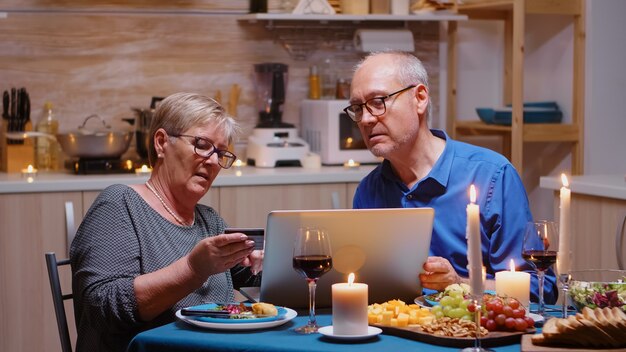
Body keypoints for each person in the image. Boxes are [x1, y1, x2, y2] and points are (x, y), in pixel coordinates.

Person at [345, 51, 556, 304]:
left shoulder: (492, 176)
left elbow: (540, 288)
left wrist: (460, 284)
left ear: (419, 98)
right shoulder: (369, 190)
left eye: (378, 101)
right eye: (357, 108)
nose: (366, 119)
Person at [70, 92, 263, 352]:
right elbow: (101, 307)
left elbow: (245, 274)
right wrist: (193, 270)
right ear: (161, 143)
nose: (215, 161)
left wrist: (264, 262)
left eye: (221, 153)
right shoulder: (120, 204)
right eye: (202, 145)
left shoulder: (208, 220)